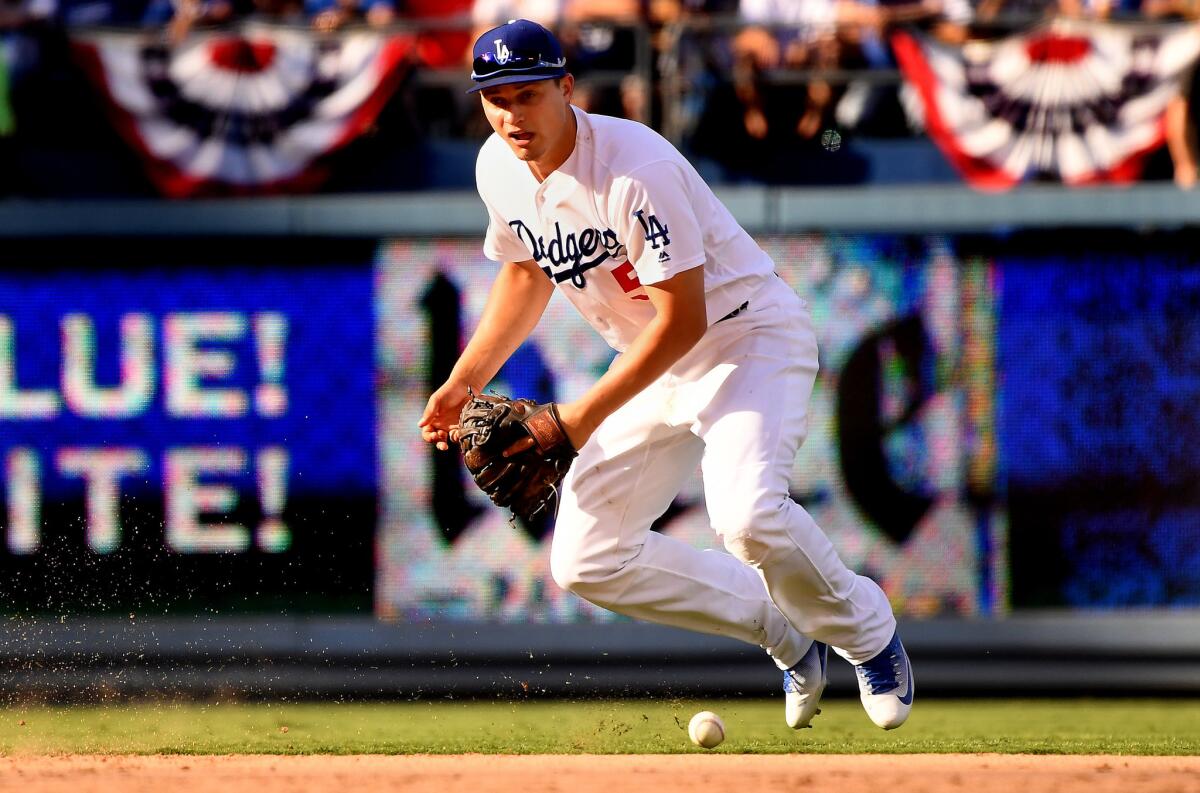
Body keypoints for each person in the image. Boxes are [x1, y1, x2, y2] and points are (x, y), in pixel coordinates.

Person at [418, 17, 913, 730]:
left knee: (746, 516)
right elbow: (525, 272)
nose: (511, 114)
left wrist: (576, 420)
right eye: (496, 98)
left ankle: (869, 633)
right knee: (587, 559)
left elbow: (681, 320)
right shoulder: (496, 166)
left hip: (744, 338)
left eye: (528, 95)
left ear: (566, 87)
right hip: (653, 363)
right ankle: (785, 632)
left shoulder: (631, 166)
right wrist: (465, 378)